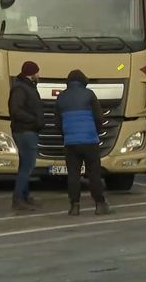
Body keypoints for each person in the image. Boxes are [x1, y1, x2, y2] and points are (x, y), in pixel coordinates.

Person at [54, 69, 111, 216]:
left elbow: (57, 122)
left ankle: (74, 206)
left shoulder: (61, 97)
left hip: (71, 142)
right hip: (89, 141)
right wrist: (96, 132)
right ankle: (99, 204)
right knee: (93, 174)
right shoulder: (89, 94)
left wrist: (66, 135)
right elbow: (99, 117)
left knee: (73, 175)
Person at [8, 61, 44, 211]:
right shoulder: (21, 88)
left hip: (28, 130)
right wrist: (33, 120)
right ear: (32, 73)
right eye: (37, 72)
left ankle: (25, 196)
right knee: (27, 166)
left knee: (25, 165)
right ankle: (18, 199)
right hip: (25, 131)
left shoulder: (26, 87)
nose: (39, 75)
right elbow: (16, 110)